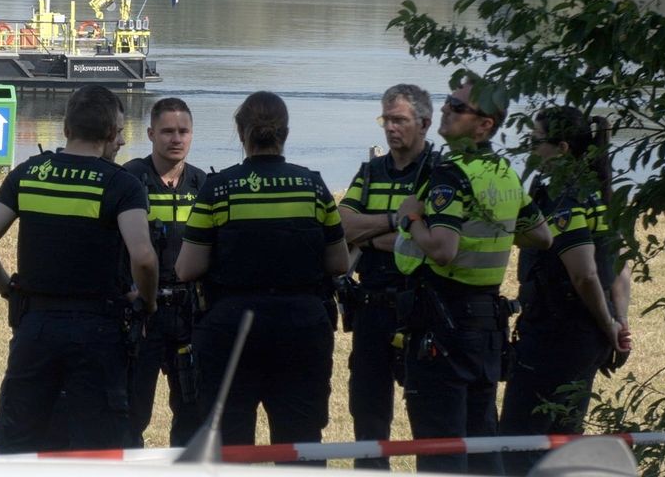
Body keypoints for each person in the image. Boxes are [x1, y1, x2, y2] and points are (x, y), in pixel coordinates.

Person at [0, 85, 158, 454]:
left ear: (67, 128)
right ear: (107, 133)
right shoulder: (121, 184)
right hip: (98, 330)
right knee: (97, 444)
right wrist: (146, 302)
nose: (121, 141)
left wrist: (9, 289)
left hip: (35, 326)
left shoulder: (27, 174)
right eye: (119, 132)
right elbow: (145, 257)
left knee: (20, 439)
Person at [176, 91, 350, 459]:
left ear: (242, 133)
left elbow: (187, 268)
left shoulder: (218, 189)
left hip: (231, 330)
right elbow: (338, 264)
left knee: (232, 447)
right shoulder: (313, 187)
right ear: (284, 132)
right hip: (302, 328)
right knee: (300, 446)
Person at [392, 78, 553, 474]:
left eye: (457, 107)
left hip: (441, 323)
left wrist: (411, 218)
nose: (445, 110)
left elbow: (443, 250)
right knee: (482, 444)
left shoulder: (452, 173)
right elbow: (541, 235)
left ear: (485, 125)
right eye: (447, 103)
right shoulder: (503, 172)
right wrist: (495, 228)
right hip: (483, 327)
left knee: (440, 449)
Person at [499, 107, 633, 476]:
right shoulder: (599, 191)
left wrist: (609, 327)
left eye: (535, 141)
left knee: (517, 441)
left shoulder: (564, 197)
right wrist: (618, 323)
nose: (529, 149)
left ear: (560, 148)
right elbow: (621, 267)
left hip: (557, 335)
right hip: (585, 337)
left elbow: (586, 274)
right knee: (563, 440)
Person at [338, 84, 437, 471]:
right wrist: (397, 221)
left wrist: (374, 237)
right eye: (386, 120)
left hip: (422, 308)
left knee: (427, 417)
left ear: (425, 123)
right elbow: (342, 224)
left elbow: (431, 238)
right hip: (372, 308)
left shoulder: (438, 172)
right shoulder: (370, 171)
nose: (390, 128)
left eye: (400, 120)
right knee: (368, 414)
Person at [123, 97, 208, 447]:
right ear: (150, 134)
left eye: (183, 131)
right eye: (167, 131)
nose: (176, 139)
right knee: (130, 412)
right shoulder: (128, 180)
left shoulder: (204, 185)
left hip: (190, 316)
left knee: (193, 412)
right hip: (143, 314)